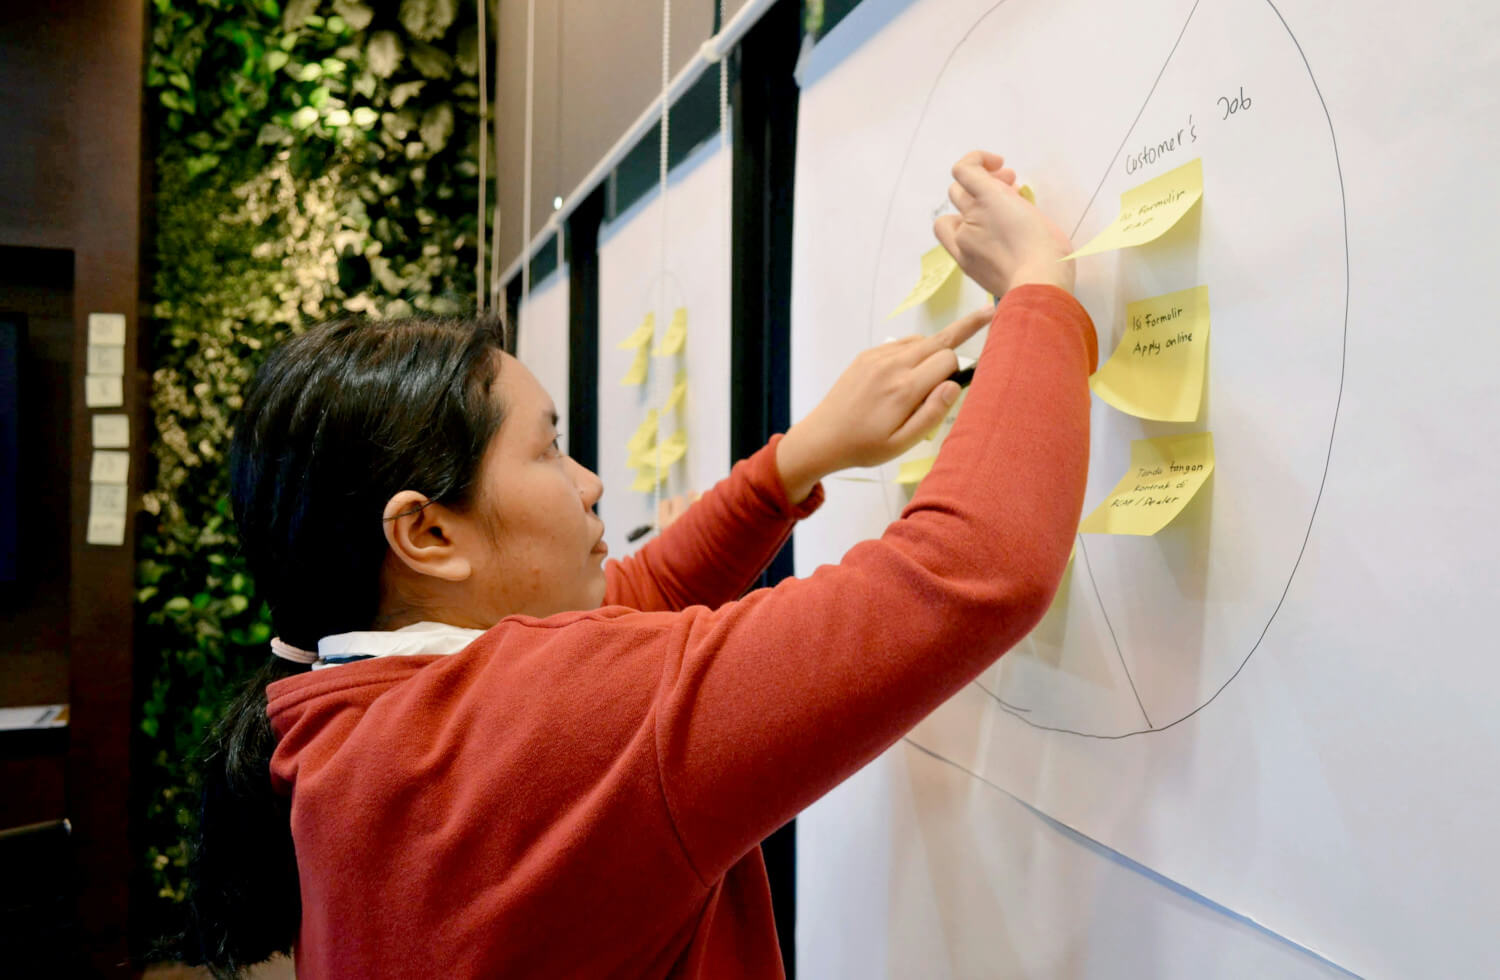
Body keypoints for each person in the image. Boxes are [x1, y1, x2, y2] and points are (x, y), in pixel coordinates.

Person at [183, 150, 1097, 978]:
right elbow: (971, 572)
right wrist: (1039, 291)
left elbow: (636, 594)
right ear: (427, 536)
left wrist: (792, 466)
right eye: (547, 453)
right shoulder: (541, 730)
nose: (589, 484)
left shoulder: (363, 706)